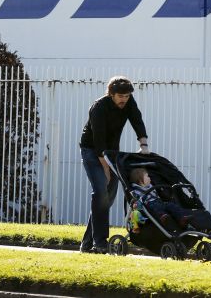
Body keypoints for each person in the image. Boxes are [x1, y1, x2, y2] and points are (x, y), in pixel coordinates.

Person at [79, 76, 149, 253]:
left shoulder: (128, 102)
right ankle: (100, 243)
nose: (124, 100)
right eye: (120, 96)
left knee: (107, 198)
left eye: (126, 96)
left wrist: (144, 145)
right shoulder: (99, 108)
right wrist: (105, 168)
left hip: (112, 152)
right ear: (111, 94)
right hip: (92, 150)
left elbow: (137, 120)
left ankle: (87, 244)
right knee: (101, 191)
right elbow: (99, 140)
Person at [128, 167, 193, 232]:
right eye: (147, 176)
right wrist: (136, 205)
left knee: (171, 205)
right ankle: (163, 217)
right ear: (140, 180)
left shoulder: (150, 186)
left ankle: (182, 218)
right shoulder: (137, 190)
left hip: (160, 202)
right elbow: (137, 202)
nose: (149, 178)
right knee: (156, 207)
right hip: (149, 206)